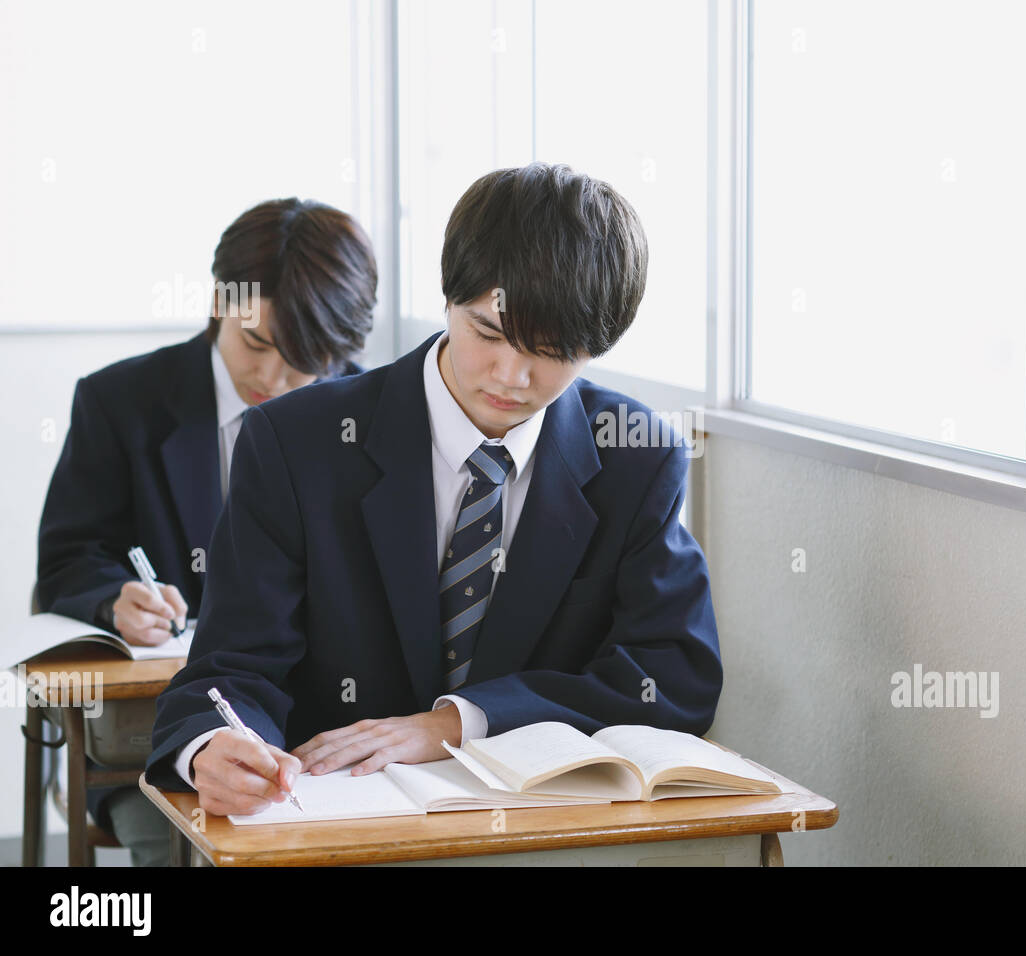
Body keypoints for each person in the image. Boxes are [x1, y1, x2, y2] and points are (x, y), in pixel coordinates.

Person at [145, 163, 724, 819]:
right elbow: (230, 667)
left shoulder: (636, 454)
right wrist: (215, 744)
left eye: (553, 350)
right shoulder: (293, 440)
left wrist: (453, 724)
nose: (512, 376)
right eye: (487, 332)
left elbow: (673, 676)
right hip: (333, 833)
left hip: (546, 839)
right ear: (448, 297)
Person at [36, 197, 377, 863]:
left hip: (327, 737)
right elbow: (68, 558)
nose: (272, 379)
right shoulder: (121, 403)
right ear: (220, 300)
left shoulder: (372, 419)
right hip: (155, 741)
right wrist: (113, 600)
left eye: (304, 361)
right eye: (255, 343)